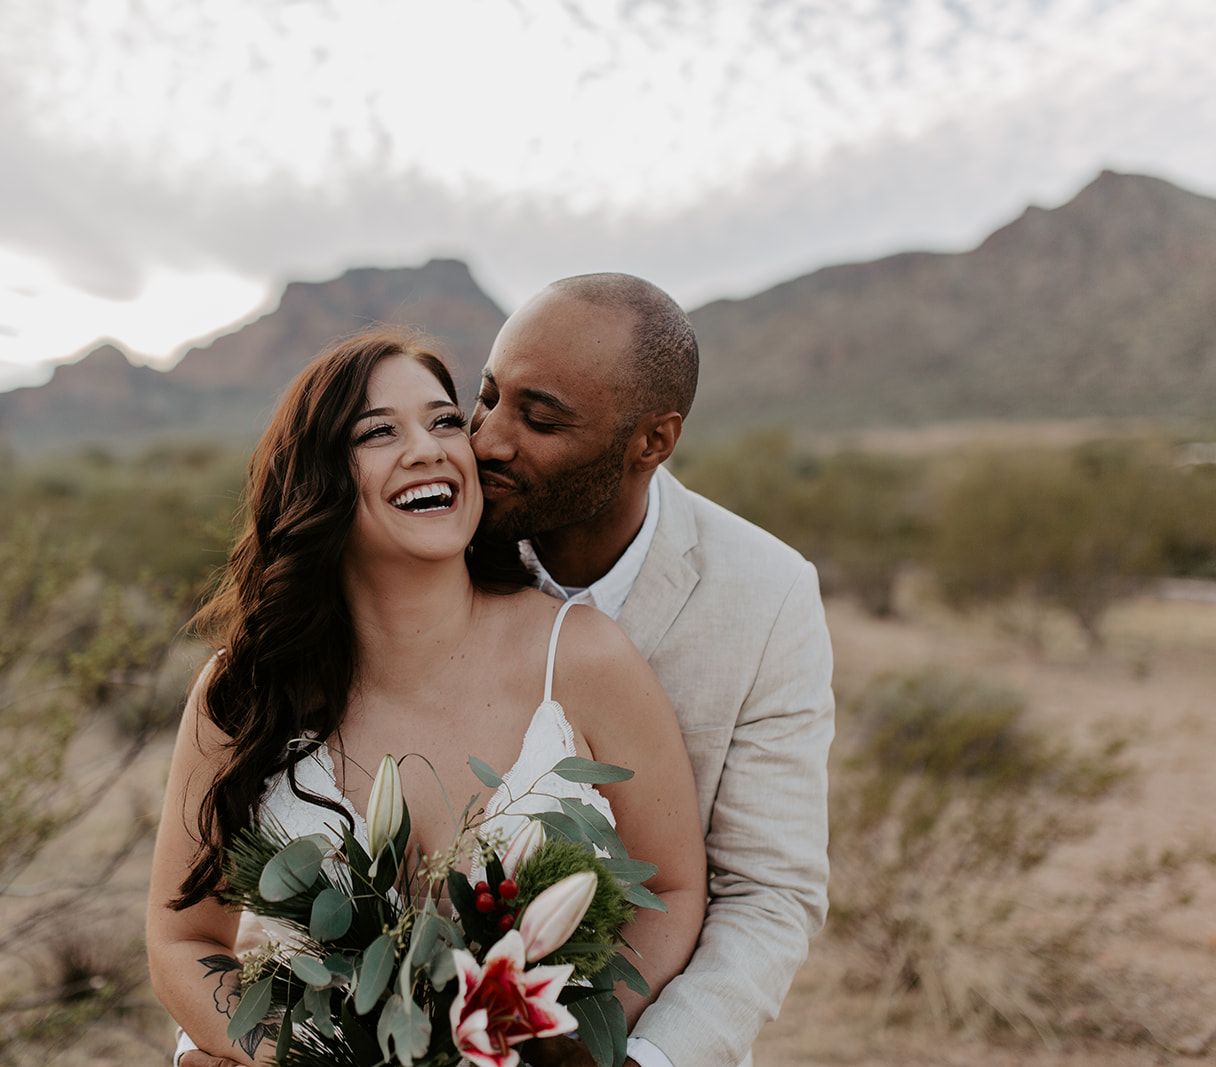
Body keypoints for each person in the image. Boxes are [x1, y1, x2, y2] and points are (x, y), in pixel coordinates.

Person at [146, 331, 709, 1066]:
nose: (429, 448)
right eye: (378, 431)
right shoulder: (244, 691)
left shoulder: (581, 656)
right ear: (316, 480)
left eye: (446, 421)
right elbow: (182, 937)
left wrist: (536, 1044)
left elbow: (669, 889)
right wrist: (296, 1054)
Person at [469, 273, 836, 1067]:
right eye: (489, 395)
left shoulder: (768, 594)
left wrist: (644, 1058)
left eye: (539, 418)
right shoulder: (430, 549)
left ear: (652, 441)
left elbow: (770, 892)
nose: (488, 439)